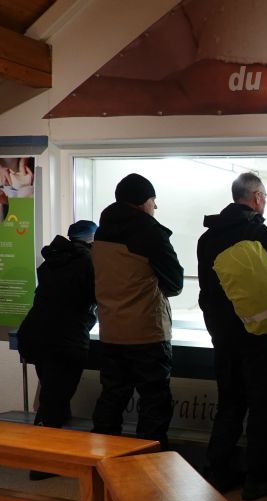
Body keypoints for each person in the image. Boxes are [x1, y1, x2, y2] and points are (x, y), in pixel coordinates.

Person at [197, 172, 267, 501]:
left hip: (223, 334)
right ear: (255, 198)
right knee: (262, 403)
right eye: (265, 197)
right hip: (258, 331)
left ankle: (219, 473)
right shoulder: (259, 230)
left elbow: (206, 289)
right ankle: (257, 478)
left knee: (229, 400)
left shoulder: (207, 238)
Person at [91, 173, 183, 448]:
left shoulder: (102, 231)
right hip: (146, 333)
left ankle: (104, 461)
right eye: (153, 201)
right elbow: (175, 283)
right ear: (143, 201)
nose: (154, 207)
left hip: (111, 331)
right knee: (154, 402)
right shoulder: (150, 233)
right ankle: (147, 467)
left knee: (112, 398)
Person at [17, 220, 98, 479]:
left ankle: (52, 454)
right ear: (92, 240)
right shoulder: (88, 262)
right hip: (65, 339)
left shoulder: (51, 261)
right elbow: (95, 298)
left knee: (52, 394)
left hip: (35, 334)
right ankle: (42, 464)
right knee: (55, 399)